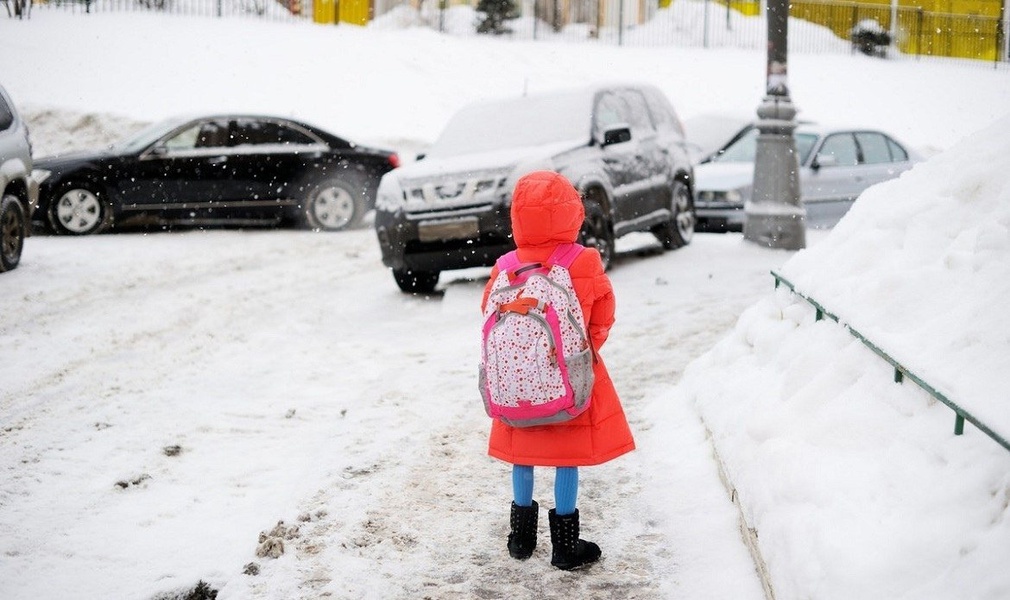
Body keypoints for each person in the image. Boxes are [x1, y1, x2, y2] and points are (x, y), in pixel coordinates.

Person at [481, 170, 636, 570]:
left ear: (517, 217)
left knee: (524, 455)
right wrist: (580, 351)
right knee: (566, 456)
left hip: (515, 384)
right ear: (572, 213)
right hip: (565, 381)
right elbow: (604, 312)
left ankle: (521, 538)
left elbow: (487, 313)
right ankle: (565, 547)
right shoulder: (581, 261)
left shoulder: (504, 266)